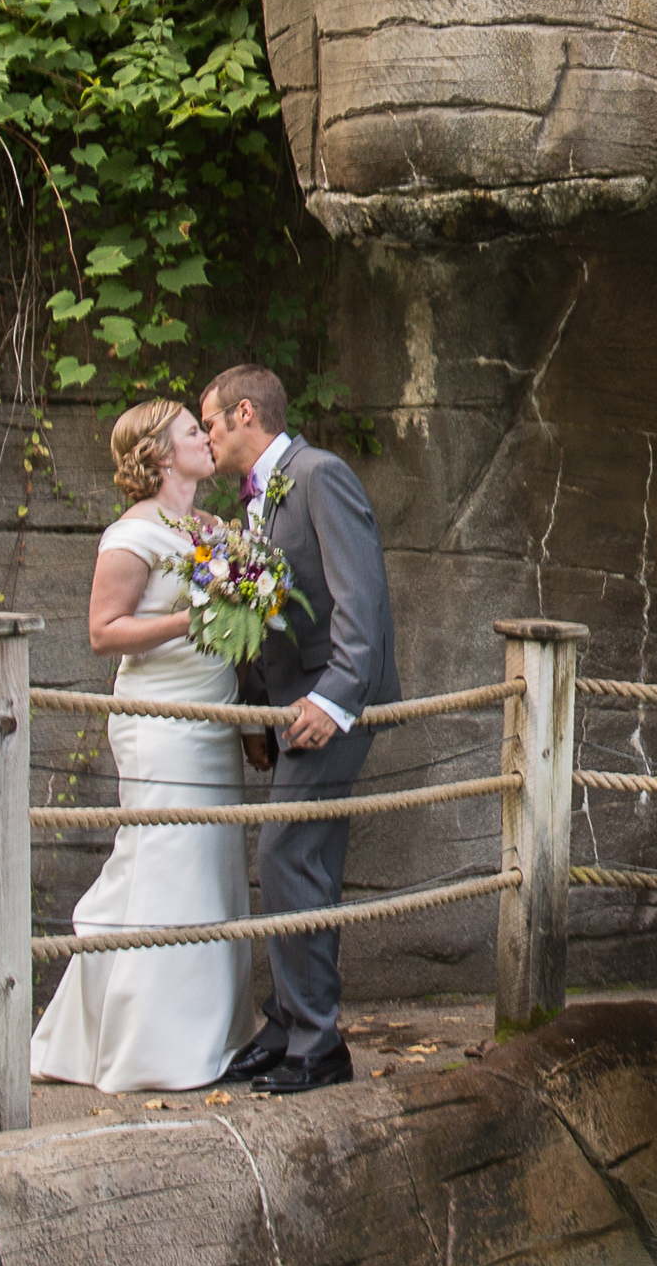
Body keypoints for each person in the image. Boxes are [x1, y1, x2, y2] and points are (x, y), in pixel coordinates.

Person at [30, 400, 246, 1095]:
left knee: (207, 865)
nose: (205, 439)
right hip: (159, 720)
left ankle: (198, 1033)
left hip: (214, 717)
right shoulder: (133, 534)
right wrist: (197, 615)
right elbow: (104, 631)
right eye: (191, 431)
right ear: (158, 455)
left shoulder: (212, 529)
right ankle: (152, 1048)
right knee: (167, 861)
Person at [200, 362, 399, 1094]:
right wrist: (257, 711)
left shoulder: (319, 475)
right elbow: (261, 615)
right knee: (299, 864)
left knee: (286, 854)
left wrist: (334, 699)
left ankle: (320, 1044)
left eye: (211, 422)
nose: (207, 436)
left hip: (330, 707)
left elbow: (361, 596)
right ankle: (288, 1023)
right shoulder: (253, 500)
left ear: (245, 414)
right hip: (287, 708)